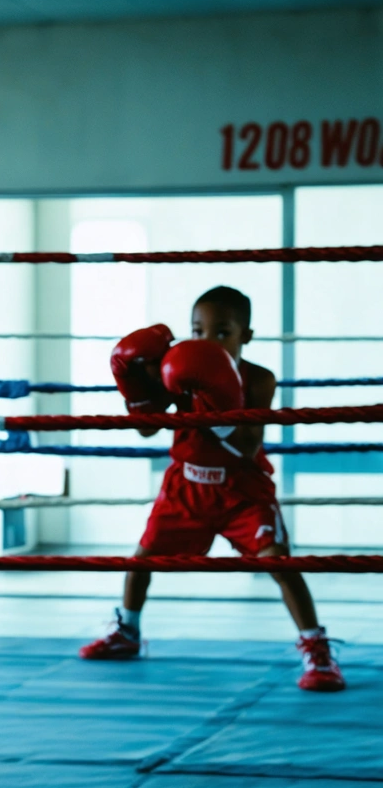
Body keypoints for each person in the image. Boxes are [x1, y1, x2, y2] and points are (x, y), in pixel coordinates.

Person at [78, 286, 345, 693]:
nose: (208, 342)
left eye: (222, 332)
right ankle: (127, 632)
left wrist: (216, 402)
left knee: (280, 565)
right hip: (185, 485)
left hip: (242, 490)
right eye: (198, 331)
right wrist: (135, 386)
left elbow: (248, 445)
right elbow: (148, 429)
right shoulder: (176, 370)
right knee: (141, 562)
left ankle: (317, 648)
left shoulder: (258, 379)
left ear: (246, 335)